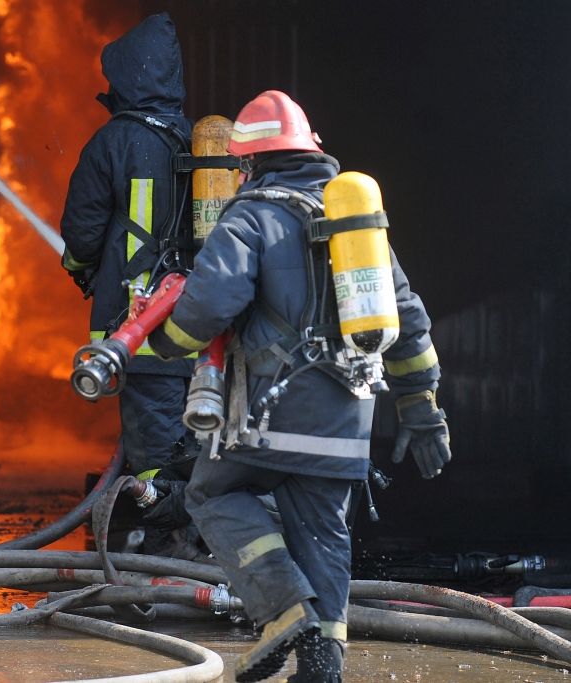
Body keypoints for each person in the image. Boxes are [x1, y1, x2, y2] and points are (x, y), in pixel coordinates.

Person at [148, 90, 452, 682]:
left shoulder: (250, 216)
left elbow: (210, 305)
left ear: (250, 163)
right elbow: (408, 319)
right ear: (311, 152)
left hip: (267, 415)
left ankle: (284, 612)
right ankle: (322, 665)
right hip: (345, 426)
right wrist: (423, 411)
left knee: (213, 496)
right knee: (324, 538)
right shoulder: (355, 228)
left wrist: (162, 346)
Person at [59, 13, 205, 561]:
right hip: (207, 326)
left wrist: (80, 267)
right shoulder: (199, 142)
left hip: (141, 331)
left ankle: (170, 556)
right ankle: (212, 546)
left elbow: (82, 234)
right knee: (202, 437)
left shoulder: (113, 142)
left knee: (155, 449)